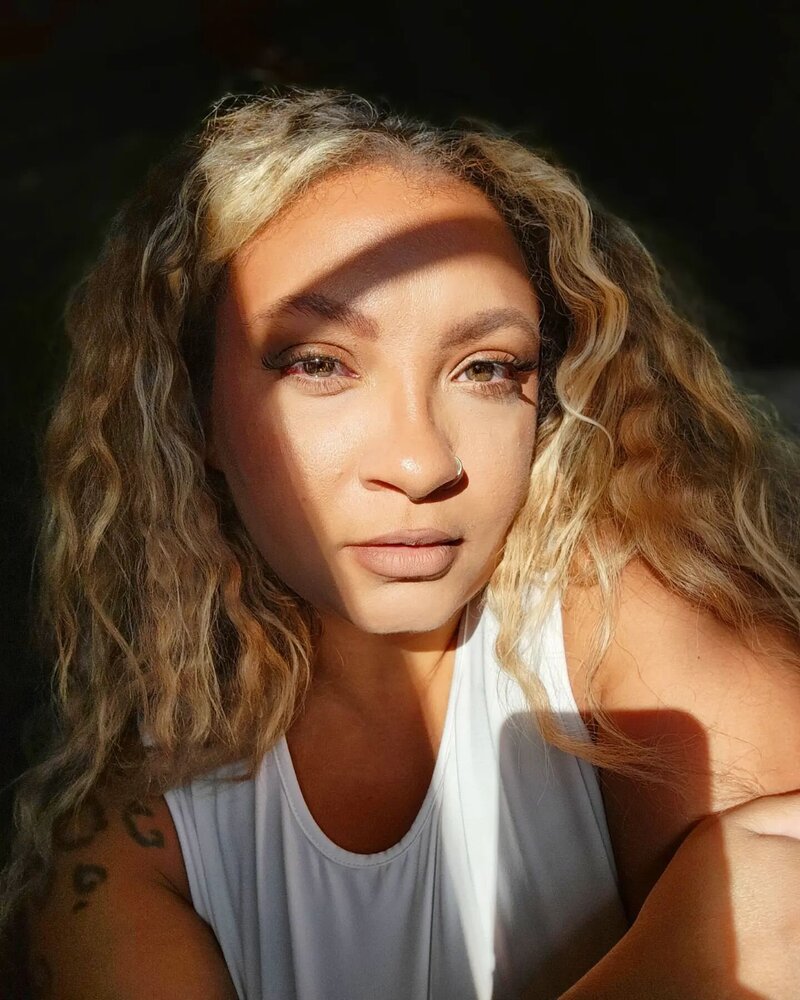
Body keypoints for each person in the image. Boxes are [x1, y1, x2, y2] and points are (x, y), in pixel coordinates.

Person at [3, 87, 800, 999]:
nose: (422, 462)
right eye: (319, 364)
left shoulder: (624, 623)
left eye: (487, 369)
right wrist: (683, 966)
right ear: (197, 413)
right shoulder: (123, 852)